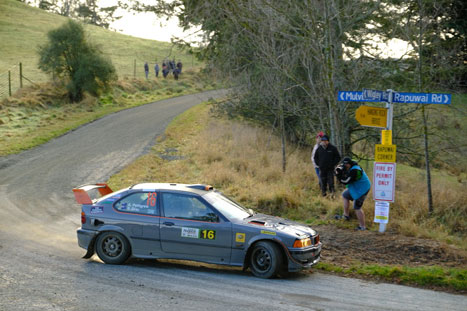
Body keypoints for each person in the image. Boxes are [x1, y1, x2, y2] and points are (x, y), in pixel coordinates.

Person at [335, 157, 371, 230]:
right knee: (345, 195)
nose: (344, 166)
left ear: (349, 164)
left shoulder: (355, 170)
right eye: (343, 164)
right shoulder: (350, 168)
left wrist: (338, 175)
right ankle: (346, 216)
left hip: (362, 189)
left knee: (357, 207)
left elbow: (346, 181)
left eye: (346, 165)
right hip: (356, 187)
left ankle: (362, 226)